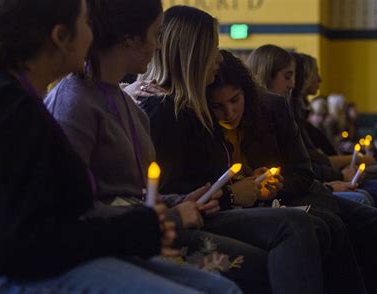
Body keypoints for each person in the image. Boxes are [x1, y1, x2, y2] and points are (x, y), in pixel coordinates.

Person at [0, 1, 240, 293]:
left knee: (221, 289)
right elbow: (16, 246)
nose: (94, 32)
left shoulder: (12, 94)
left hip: (37, 259)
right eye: (86, 22)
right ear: (61, 36)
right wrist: (137, 229)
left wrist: (151, 217)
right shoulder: (0, 102)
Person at [44, 0, 267, 292]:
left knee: (257, 264)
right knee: (240, 276)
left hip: (138, 229)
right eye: (156, 34)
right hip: (110, 241)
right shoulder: (75, 102)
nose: (159, 46)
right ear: (130, 39)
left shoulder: (128, 105)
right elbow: (71, 208)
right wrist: (171, 215)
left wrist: (178, 200)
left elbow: (135, 193)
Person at [141, 6, 330, 294]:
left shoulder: (194, 107)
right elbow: (171, 192)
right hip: (190, 221)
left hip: (214, 211)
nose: (219, 59)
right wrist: (232, 194)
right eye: (213, 49)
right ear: (193, 55)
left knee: (317, 223)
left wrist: (248, 184)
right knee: (292, 225)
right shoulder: (165, 111)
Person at [248, 45, 377, 294]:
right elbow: (309, 166)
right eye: (288, 76)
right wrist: (332, 179)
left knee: (376, 214)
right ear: (267, 73)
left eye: (294, 76)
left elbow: (307, 164)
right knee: (356, 210)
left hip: (305, 187)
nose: (293, 83)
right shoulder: (263, 111)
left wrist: (329, 178)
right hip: (290, 195)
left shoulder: (288, 111)